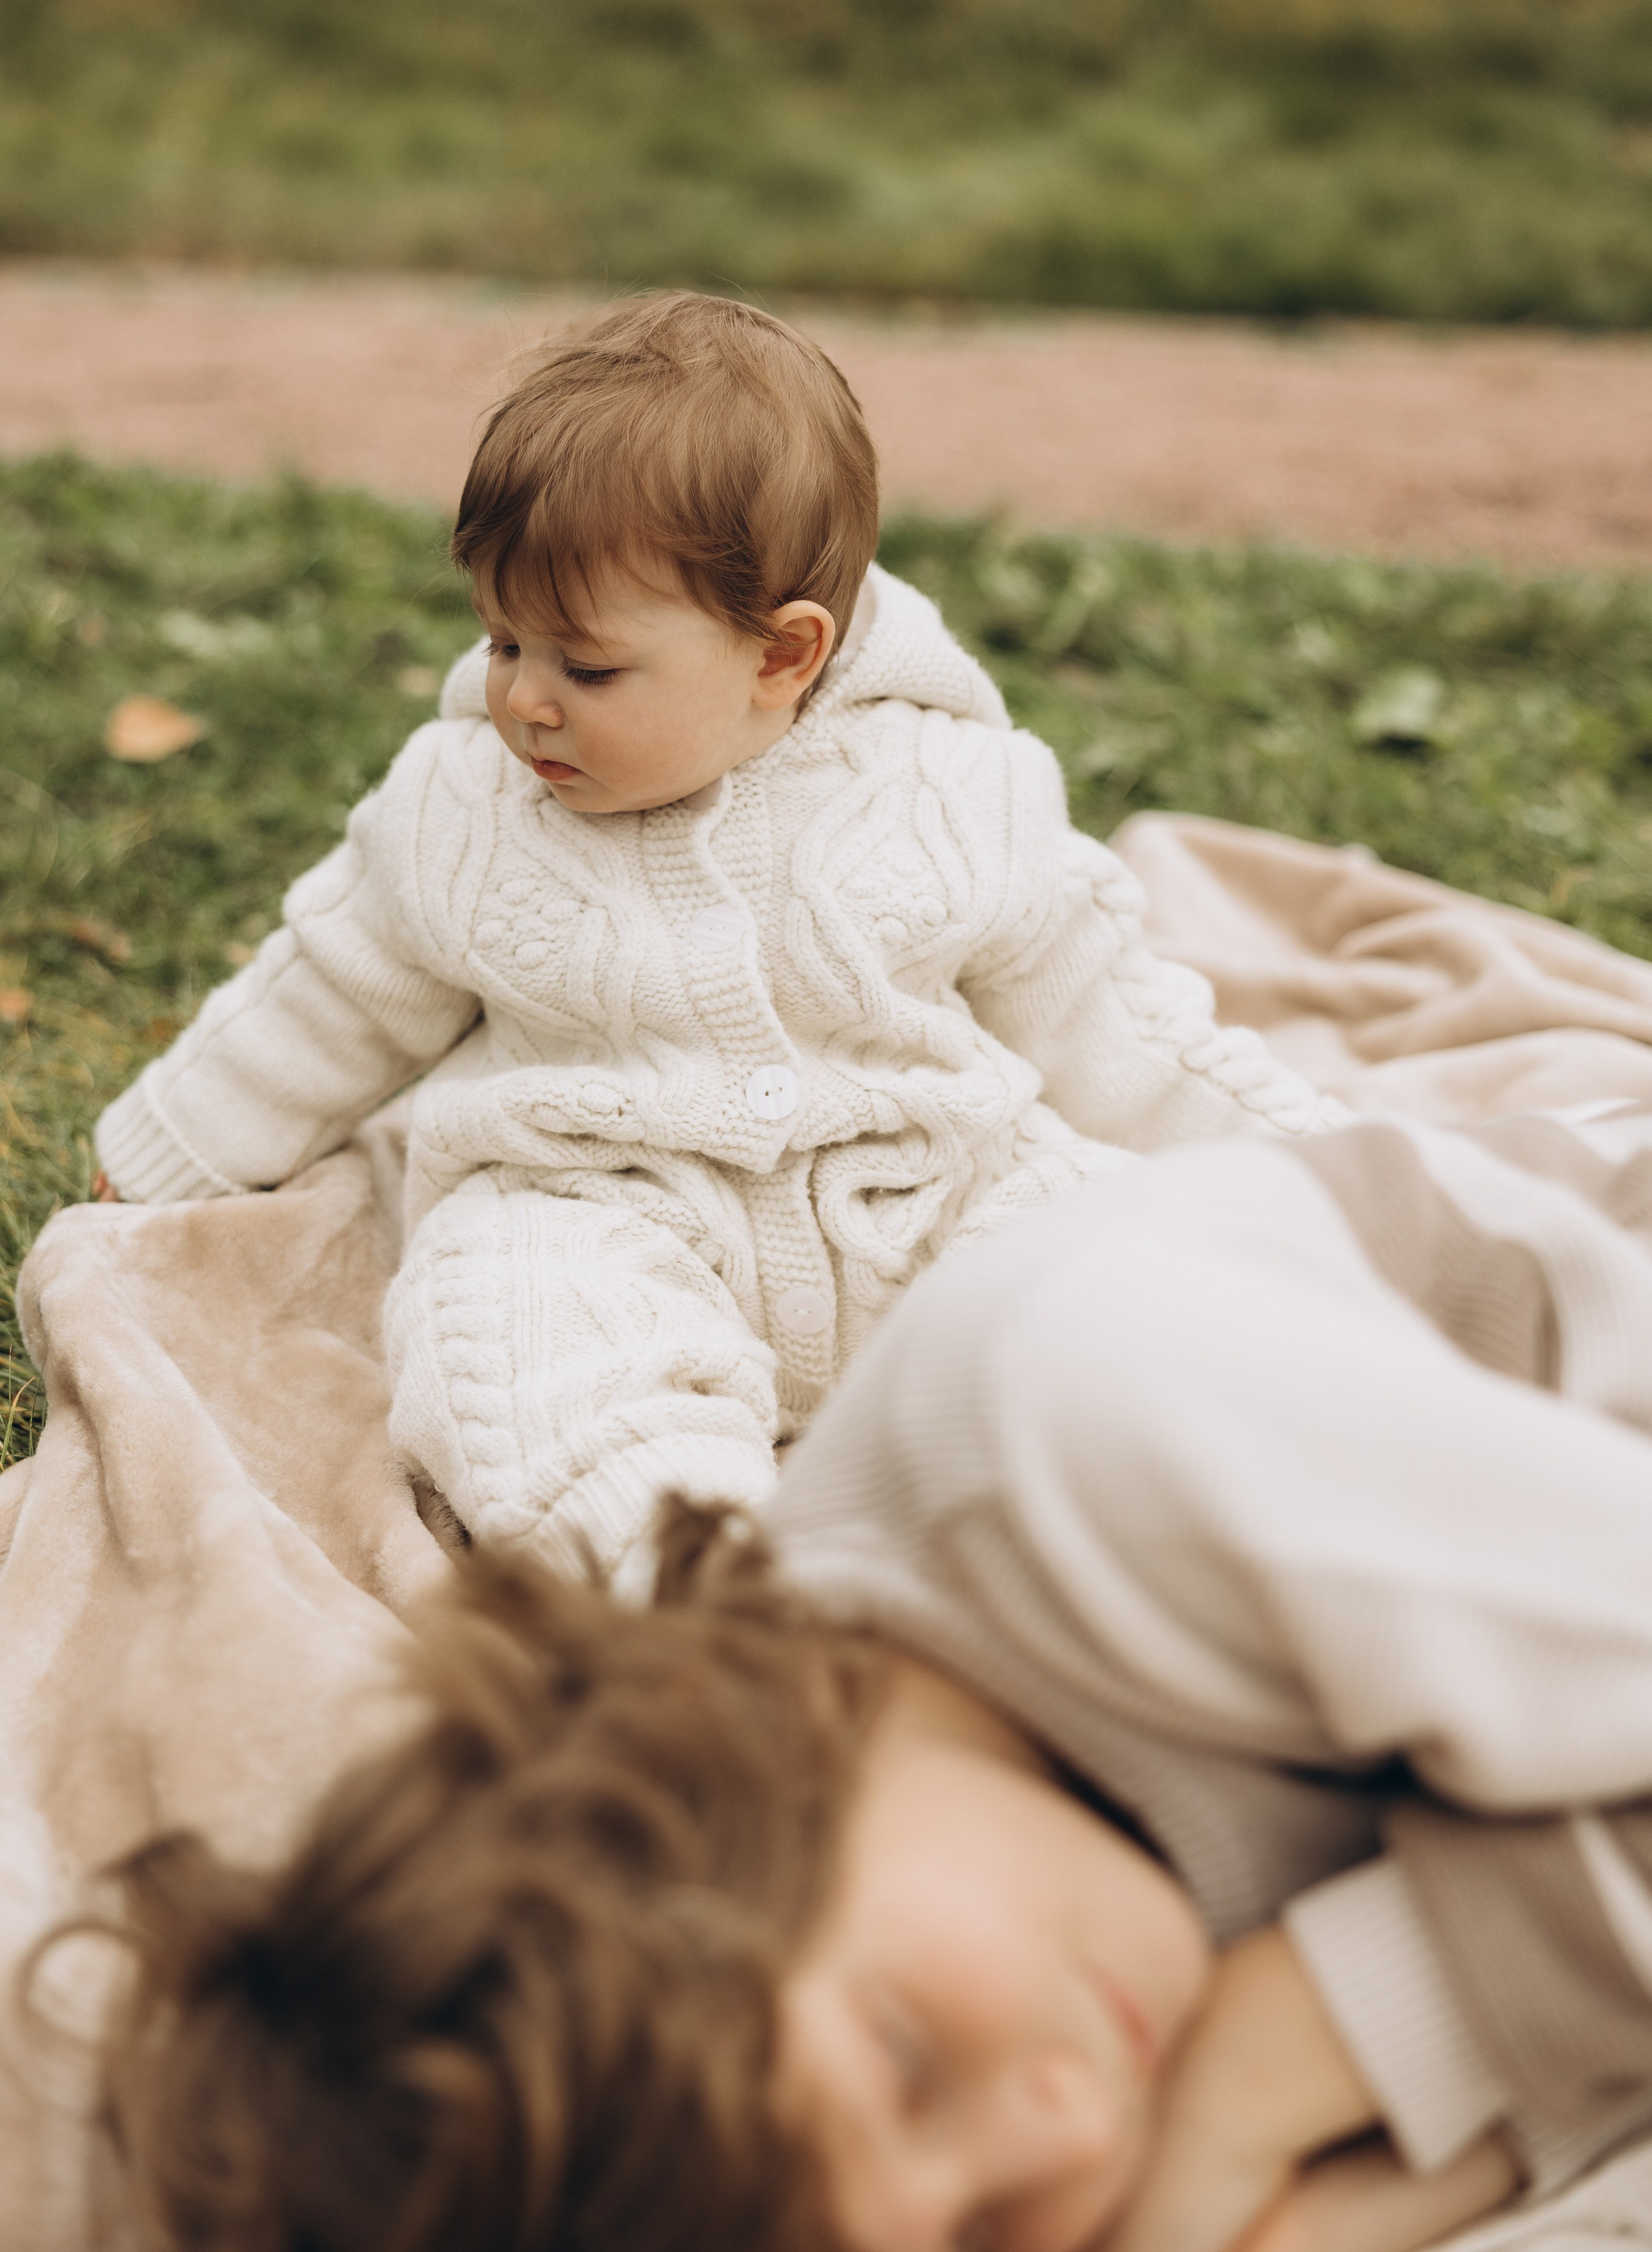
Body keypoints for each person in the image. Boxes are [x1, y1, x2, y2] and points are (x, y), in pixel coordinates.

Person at [96, 1104, 1652, 2252]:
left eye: (904, 2056)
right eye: (977, 2242)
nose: (1078, 2135)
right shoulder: (1020, 1890)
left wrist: (1302, 2049)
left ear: (713, 1768)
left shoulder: (1114, 1441)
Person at [90, 290, 1329, 1581]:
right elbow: (326, 995)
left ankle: (1180, 1517)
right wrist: (174, 1146)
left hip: (920, 1194)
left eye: (588, 667)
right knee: (517, 1348)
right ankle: (705, 1585)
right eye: (503, 638)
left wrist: (1325, 1172)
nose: (523, 699)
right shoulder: (459, 809)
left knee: (1124, 1272)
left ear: (782, 656)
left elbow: (1109, 1020)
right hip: (603, 1206)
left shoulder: (946, 793)